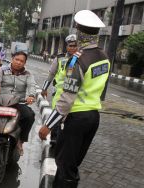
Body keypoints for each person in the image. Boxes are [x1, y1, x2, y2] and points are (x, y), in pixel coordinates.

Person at [38, 10, 110, 188]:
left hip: (76, 118)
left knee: (65, 165)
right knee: (73, 163)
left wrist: (48, 126)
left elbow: (67, 100)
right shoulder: (104, 57)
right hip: (93, 117)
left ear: (79, 33)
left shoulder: (77, 61)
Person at [0, 50, 37, 156]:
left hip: (18, 103)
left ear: (24, 63)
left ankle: (20, 141)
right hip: (1, 101)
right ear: (12, 59)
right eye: (17, 59)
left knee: (29, 116)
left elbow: (32, 86)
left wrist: (31, 96)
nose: (18, 62)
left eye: (21, 61)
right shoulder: (2, 70)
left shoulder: (28, 74)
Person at [41, 34, 78, 143]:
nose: (72, 48)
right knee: (57, 115)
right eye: (70, 46)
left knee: (71, 118)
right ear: (66, 46)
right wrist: (44, 89)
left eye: (74, 46)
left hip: (74, 94)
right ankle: (54, 138)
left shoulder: (81, 59)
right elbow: (51, 74)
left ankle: (67, 139)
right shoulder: (60, 58)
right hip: (59, 93)